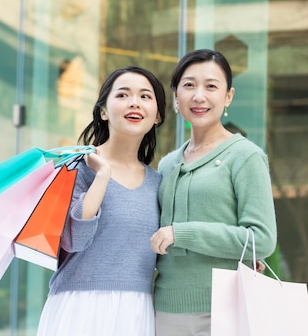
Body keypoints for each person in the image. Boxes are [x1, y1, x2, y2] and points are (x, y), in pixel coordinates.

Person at [149, 49, 277, 336]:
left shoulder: (244, 156)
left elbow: (262, 239)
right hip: (165, 309)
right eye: (189, 85)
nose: (199, 96)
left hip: (225, 310)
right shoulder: (168, 163)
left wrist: (183, 233)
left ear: (228, 96)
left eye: (211, 86)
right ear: (175, 97)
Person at [36, 66, 166, 336]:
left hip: (136, 310)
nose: (134, 102)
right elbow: (73, 240)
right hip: (79, 307)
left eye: (145, 96)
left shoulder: (159, 182)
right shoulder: (77, 168)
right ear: (103, 111)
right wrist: (102, 175)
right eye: (122, 95)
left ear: (157, 115)